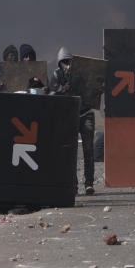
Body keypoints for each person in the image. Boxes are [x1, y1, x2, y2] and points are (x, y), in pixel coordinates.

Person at [50, 46, 96, 195]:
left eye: (69, 61)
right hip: (69, 115)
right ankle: (73, 184)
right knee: (71, 151)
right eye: (64, 62)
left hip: (85, 113)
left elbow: (91, 92)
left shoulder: (81, 75)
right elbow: (51, 96)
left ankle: (89, 183)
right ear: (59, 63)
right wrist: (62, 89)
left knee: (88, 149)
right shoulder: (56, 75)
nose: (67, 65)